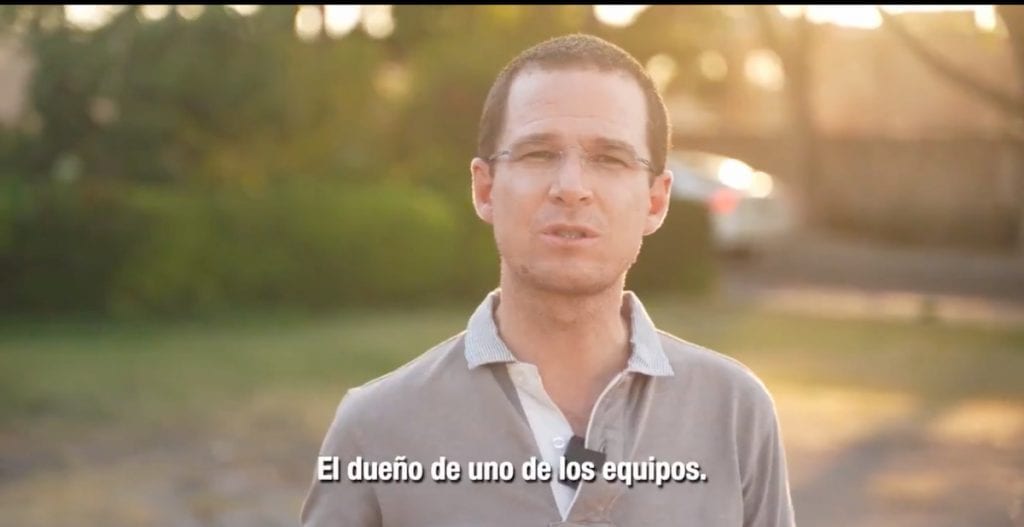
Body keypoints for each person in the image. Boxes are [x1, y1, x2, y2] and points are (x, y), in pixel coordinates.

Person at [301, 33, 795, 526]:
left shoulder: (734, 413)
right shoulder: (375, 428)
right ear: (485, 189)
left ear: (656, 200)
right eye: (538, 153)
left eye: (610, 158)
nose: (571, 188)